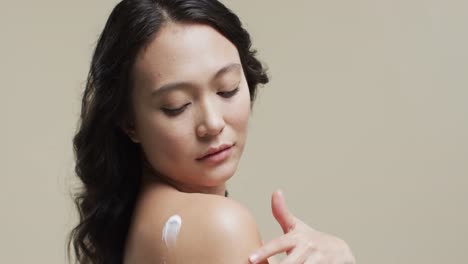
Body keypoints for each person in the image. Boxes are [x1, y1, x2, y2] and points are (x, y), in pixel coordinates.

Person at [68, 0, 356, 263]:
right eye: (176, 106)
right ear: (129, 123)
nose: (213, 123)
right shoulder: (219, 226)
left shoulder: (138, 221)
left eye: (227, 89)